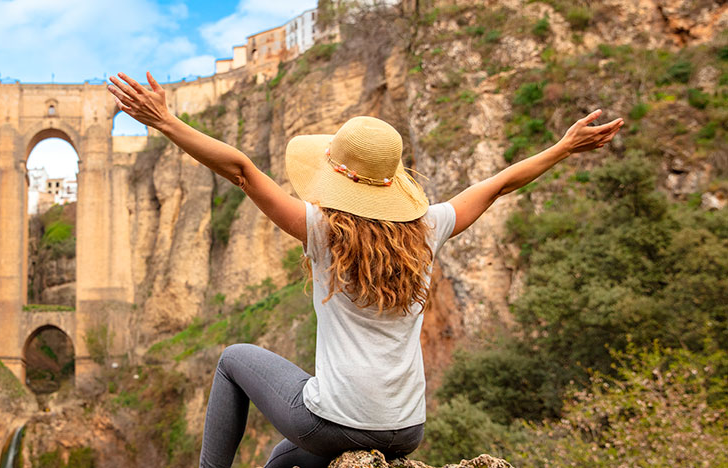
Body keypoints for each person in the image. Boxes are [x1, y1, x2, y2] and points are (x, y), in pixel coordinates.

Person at [107, 72, 623, 468]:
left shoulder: (322, 232)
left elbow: (241, 170)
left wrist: (167, 123)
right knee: (280, 462)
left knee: (233, 358)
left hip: (338, 424)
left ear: (336, 176)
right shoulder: (428, 228)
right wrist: (562, 147)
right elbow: (499, 184)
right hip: (406, 429)